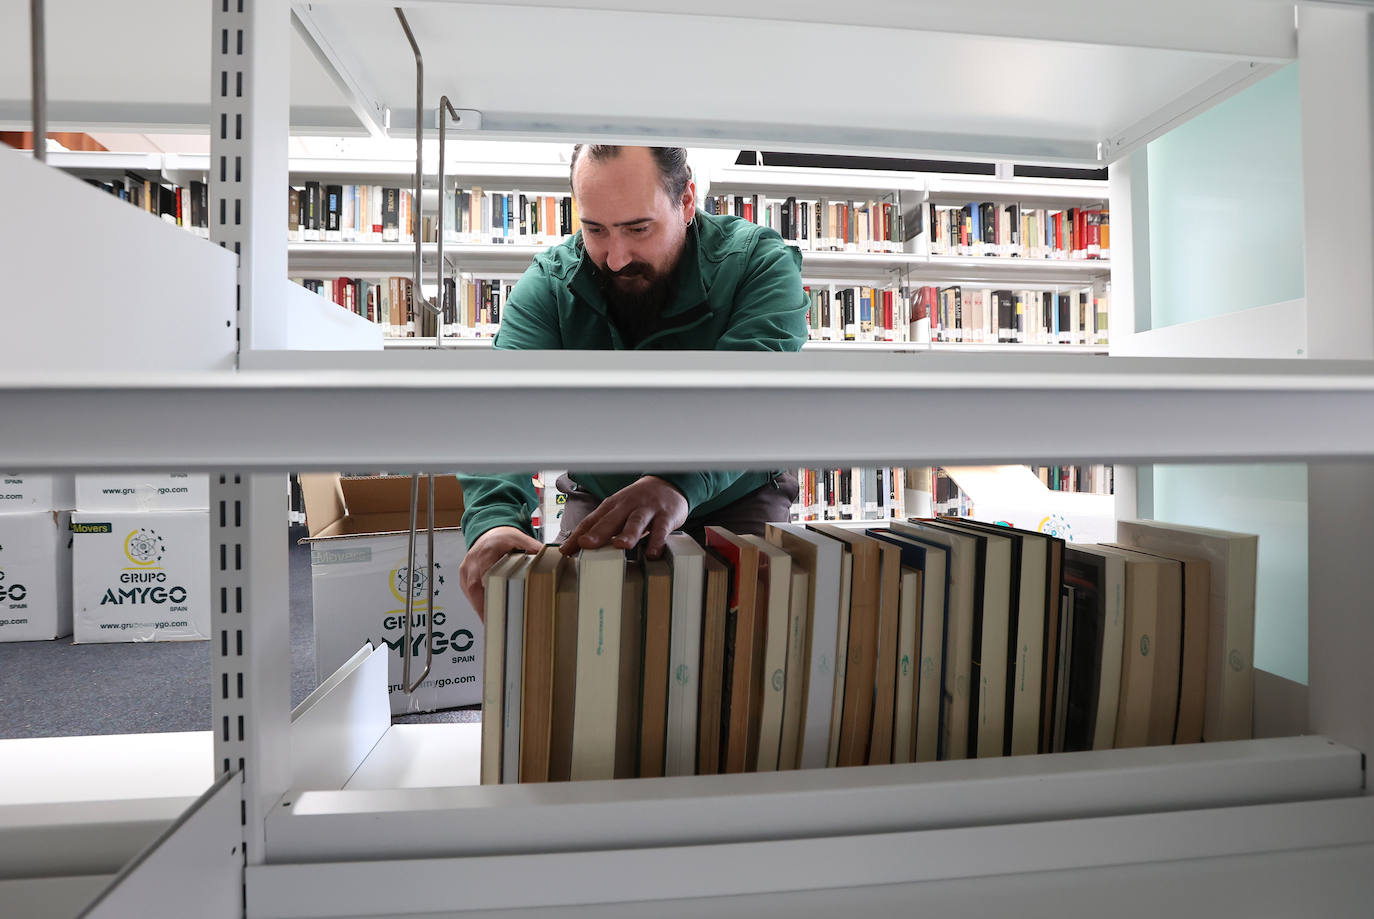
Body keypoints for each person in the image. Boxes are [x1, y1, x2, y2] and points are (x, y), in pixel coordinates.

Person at [457, 144, 807, 615]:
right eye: (595, 230)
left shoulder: (757, 264)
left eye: (638, 229)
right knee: (578, 637)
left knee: (742, 645)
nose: (616, 258)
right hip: (605, 490)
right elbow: (496, 408)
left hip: (736, 488)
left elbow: (755, 393)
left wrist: (676, 481)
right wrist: (494, 523)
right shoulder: (551, 283)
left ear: (686, 202)